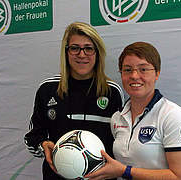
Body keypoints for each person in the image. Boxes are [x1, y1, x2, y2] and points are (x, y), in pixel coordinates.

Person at [24, 22, 124, 180]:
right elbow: (32, 138)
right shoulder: (47, 89)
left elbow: (121, 143)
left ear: (97, 53)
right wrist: (44, 146)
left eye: (88, 48)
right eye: (75, 48)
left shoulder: (112, 92)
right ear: (66, 52)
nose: (82, 54)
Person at [85, 42, 181, 180]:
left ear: (157, 73)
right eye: (127, 69)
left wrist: (124, 171)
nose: (134, 76)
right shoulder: (117, 118)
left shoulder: (173, 115)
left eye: (143, 69)